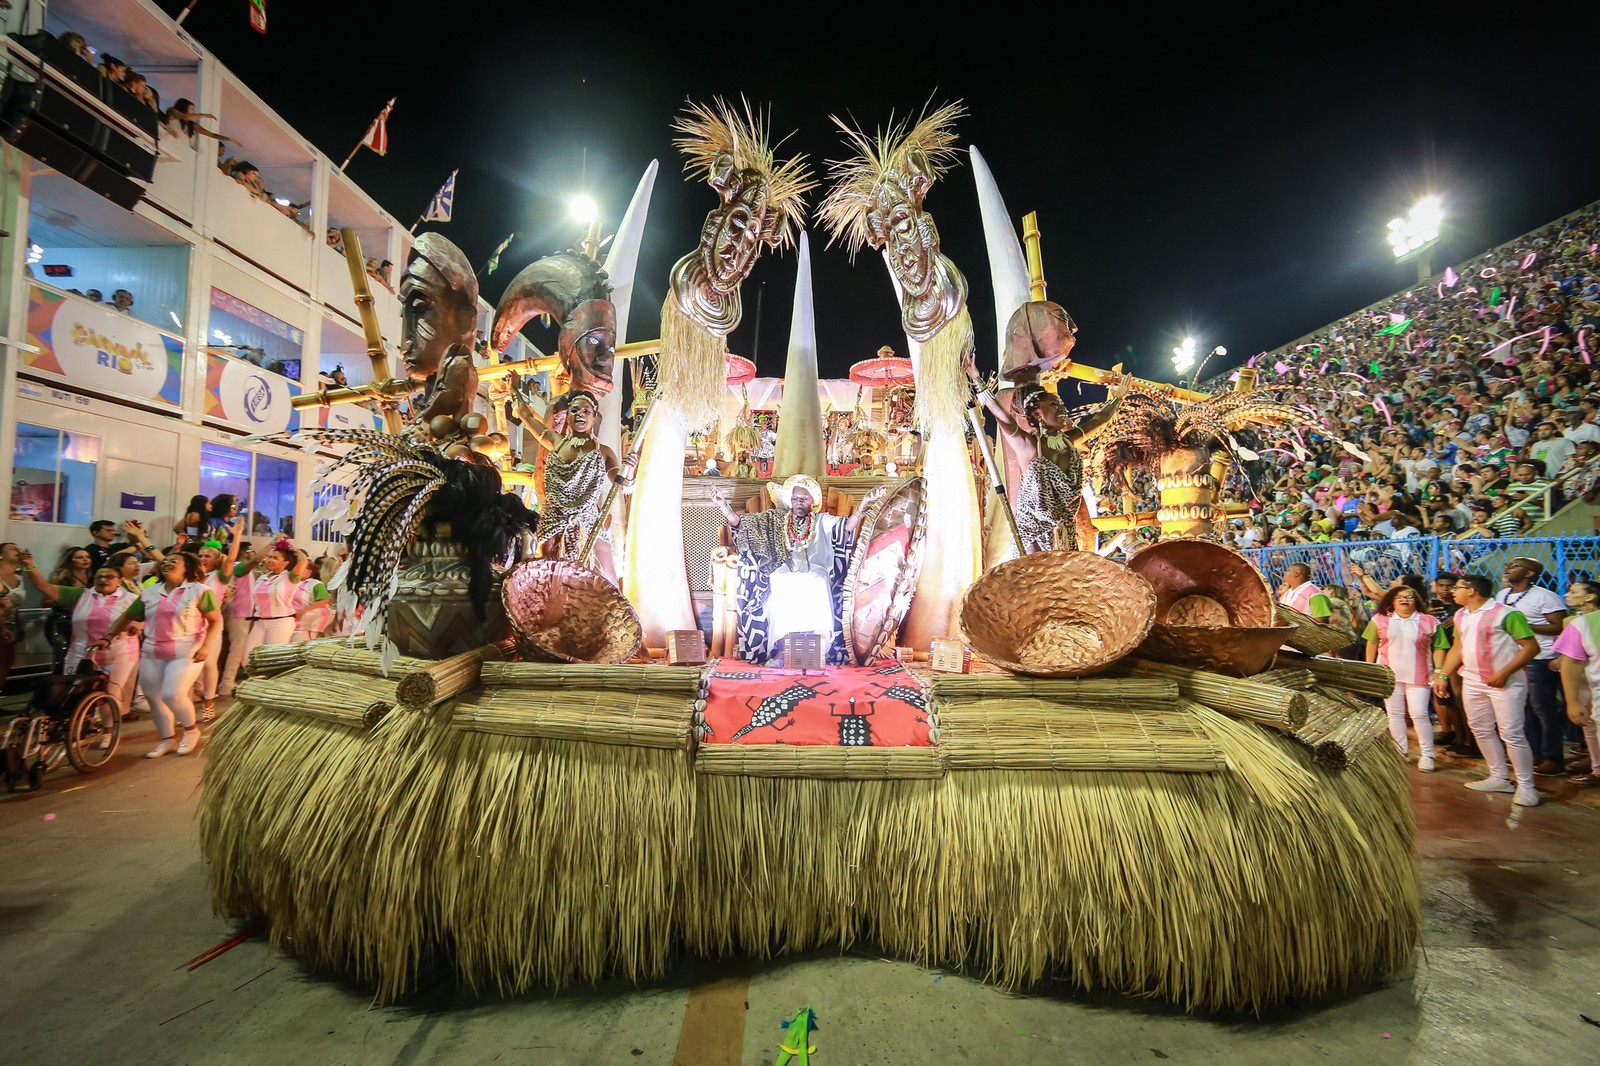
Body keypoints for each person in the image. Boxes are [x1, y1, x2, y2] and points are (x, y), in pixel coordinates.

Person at [964, 350, 1128, 553]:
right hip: (1033, 539)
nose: (1062, 409)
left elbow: (1099, 420)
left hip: (1064, 534)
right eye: (1054, 405)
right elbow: (1001, 416)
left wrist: (1118, 399)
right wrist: (976, 378)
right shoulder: (1028, 444)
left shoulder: (1069, 440)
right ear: (1037, 414)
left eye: (1061, 404)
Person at [713, 474, 867, 666]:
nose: (798, 503)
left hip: (816, 569)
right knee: (778, 579)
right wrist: (724, 507)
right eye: (794, 499)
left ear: (813, 501)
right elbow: (743, 524)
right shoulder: (776, 520)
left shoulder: (821, 520)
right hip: (786, 568)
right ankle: (781, 650)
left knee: (817, 581)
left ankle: (819, 650)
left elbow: (846, 526)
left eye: (803, 499)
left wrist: (863, 506)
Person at [90, 552, 221, 758]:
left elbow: (215, 621)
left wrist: (206, 647)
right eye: (165, 561)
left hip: (187, 651)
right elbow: (127, 616)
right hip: (152, 652)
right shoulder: (149, 592)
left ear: (186, 567)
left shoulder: (200, 591)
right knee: (154, 698)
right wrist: (108, 637)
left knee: (173, 694)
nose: (167, 564)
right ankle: (167, 740)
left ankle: (190, 731)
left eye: (174, 562)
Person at [508, 379, 636, 584]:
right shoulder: (554, 442)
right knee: (550, 574)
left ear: (594, 418)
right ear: (567, 416)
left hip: (588, 519)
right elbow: (525, 415)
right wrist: (514, 390)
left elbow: (622, 482)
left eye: (586, 411)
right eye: (574, 410)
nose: (580, 414)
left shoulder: (602, 452)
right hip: (553, 518)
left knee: (606, 577)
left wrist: (629, 469)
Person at [1433, 574, 1543, 807]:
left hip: (1506, 683)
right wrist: (1443, 674)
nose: (1452, 591)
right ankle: (1499, 777)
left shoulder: (1506, 614)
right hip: (1473, 680)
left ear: (1471, 590)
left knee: (1512, 733)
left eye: (1457, 588)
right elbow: (1458, 648)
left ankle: (1526, 786)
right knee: (1481, 729)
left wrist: (1503, 673)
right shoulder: (1462, 615)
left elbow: (1531, 647)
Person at [23, 561, 138, 716]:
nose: (103, 579)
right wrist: (29, 565)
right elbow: (45, 587)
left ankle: (107, 734)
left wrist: (138, 625)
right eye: (99, 576)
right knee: (71, 692)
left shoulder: (132, 599)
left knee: (110, 695)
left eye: (109, 576)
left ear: (120, 580)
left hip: (119, 654)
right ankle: (74, 726)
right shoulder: (81, 595)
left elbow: (147, 617)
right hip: (81, 652)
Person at [1495, 558, 1568, 775]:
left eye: (1515, 566)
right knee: (1521, 709)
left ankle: (1552, 758)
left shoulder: (1545, 596)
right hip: (1512, 658)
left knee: (1543, 710)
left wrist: (1523, 626)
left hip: (1540, 658)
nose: (1508, 568)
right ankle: (1532, 753)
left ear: (1530, 573)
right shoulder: (1502, 595)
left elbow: (1559, 627)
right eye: (1508, 565)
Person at [1364, 586, 1446, 770]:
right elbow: (1371, 643)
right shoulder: (1379, 620)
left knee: (1419, 714)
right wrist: (1370, 667)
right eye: (1400, 597)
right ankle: (1400, 752)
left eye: (1409, 596)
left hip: (1420, 675)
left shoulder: (1430, 621)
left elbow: (1440, 647)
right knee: (1394, 714)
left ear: (1416, 600)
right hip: (1389, 674)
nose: (1404, 600)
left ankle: (1427, 755)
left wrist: (1439, 669)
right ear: (1392, 601)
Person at [192, 526, 244, 721]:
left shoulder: (219, 577)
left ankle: (209, 703)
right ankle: (188, 703)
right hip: (191, 626)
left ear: (216, 559)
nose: (203, 559)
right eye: (201, 555)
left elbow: (230, 560)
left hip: (212, 625)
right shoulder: (191, 577)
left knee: (209, 665)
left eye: (207, 556)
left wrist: (237, 535)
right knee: (189, 665)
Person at [1554, 579, 1600, 788]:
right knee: (1590, 728)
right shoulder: (1582, 624)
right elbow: (1571, 663)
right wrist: (1572, 701)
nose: (1568, 595)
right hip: (1594, 691)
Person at [0, 543, 24, 686]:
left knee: (4, 666)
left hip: (11, 624)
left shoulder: (19, 578)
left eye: (18, 547)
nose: (17, 550)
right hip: (1, 625)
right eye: (12, 548)